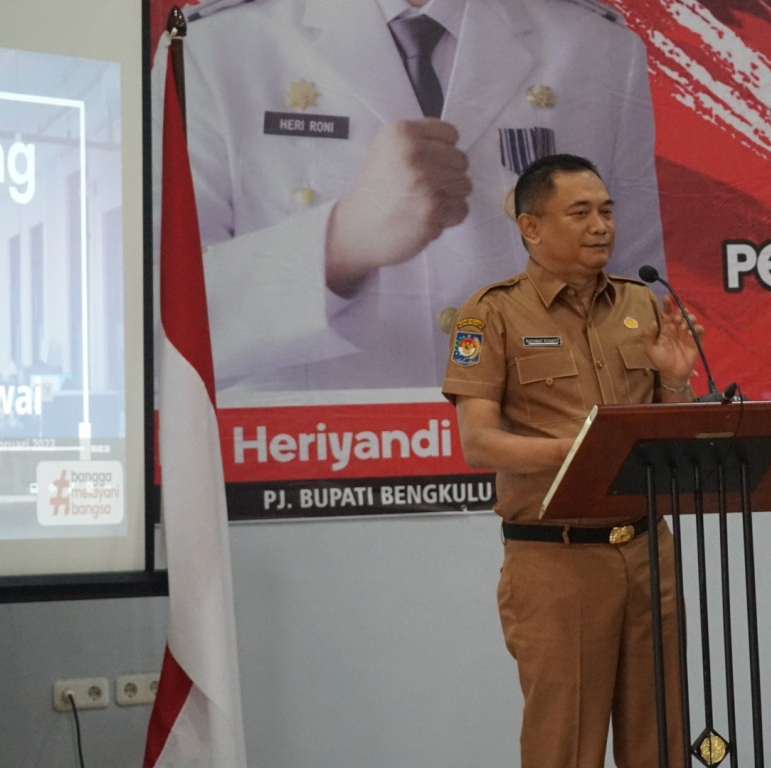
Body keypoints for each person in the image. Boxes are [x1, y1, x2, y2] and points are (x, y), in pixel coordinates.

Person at [181, 0, 665, 397]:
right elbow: (170, 333)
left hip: (538, 445)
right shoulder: (215, 48)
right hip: (310, 458)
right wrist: (340, 243)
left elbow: (637, 295)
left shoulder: (595, 47)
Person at [442, 154, 694, 768]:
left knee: (661, 741)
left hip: (647, 551)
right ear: (530, 227)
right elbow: (479, 444)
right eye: (579, 212)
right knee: (566, 747)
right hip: (556, 559)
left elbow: (670, 433)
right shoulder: (490, 313)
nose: (600, 226)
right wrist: (582, 449)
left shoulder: (640, 303)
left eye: (606, 210)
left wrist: (676, 381)